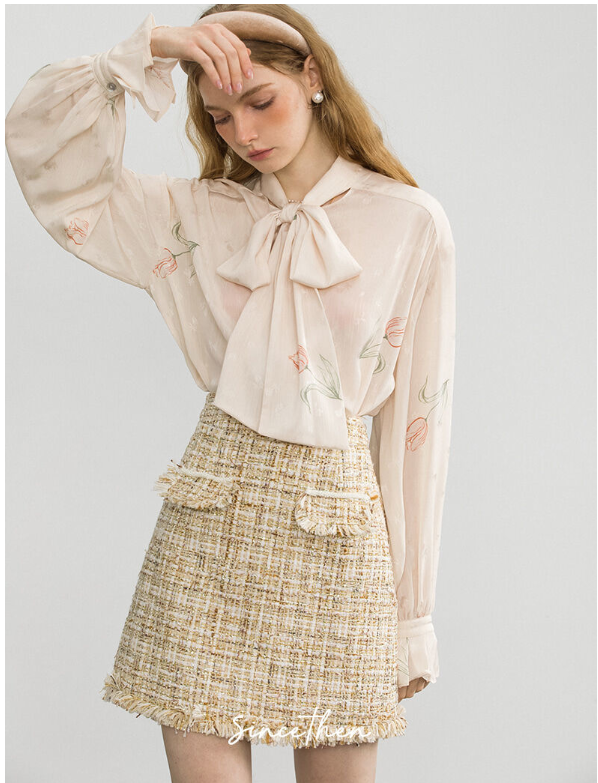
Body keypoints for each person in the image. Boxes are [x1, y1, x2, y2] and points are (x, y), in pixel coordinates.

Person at [5, 4, 456, 782]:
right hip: (206, 540)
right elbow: (45, 157)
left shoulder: (410, 222)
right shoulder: (194, 215)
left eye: (259, 101)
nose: (242, 133)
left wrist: (413, 615)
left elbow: (418, 425)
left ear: (312, 77)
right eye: (219, 116)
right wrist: (147, 48)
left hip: (338, 542)